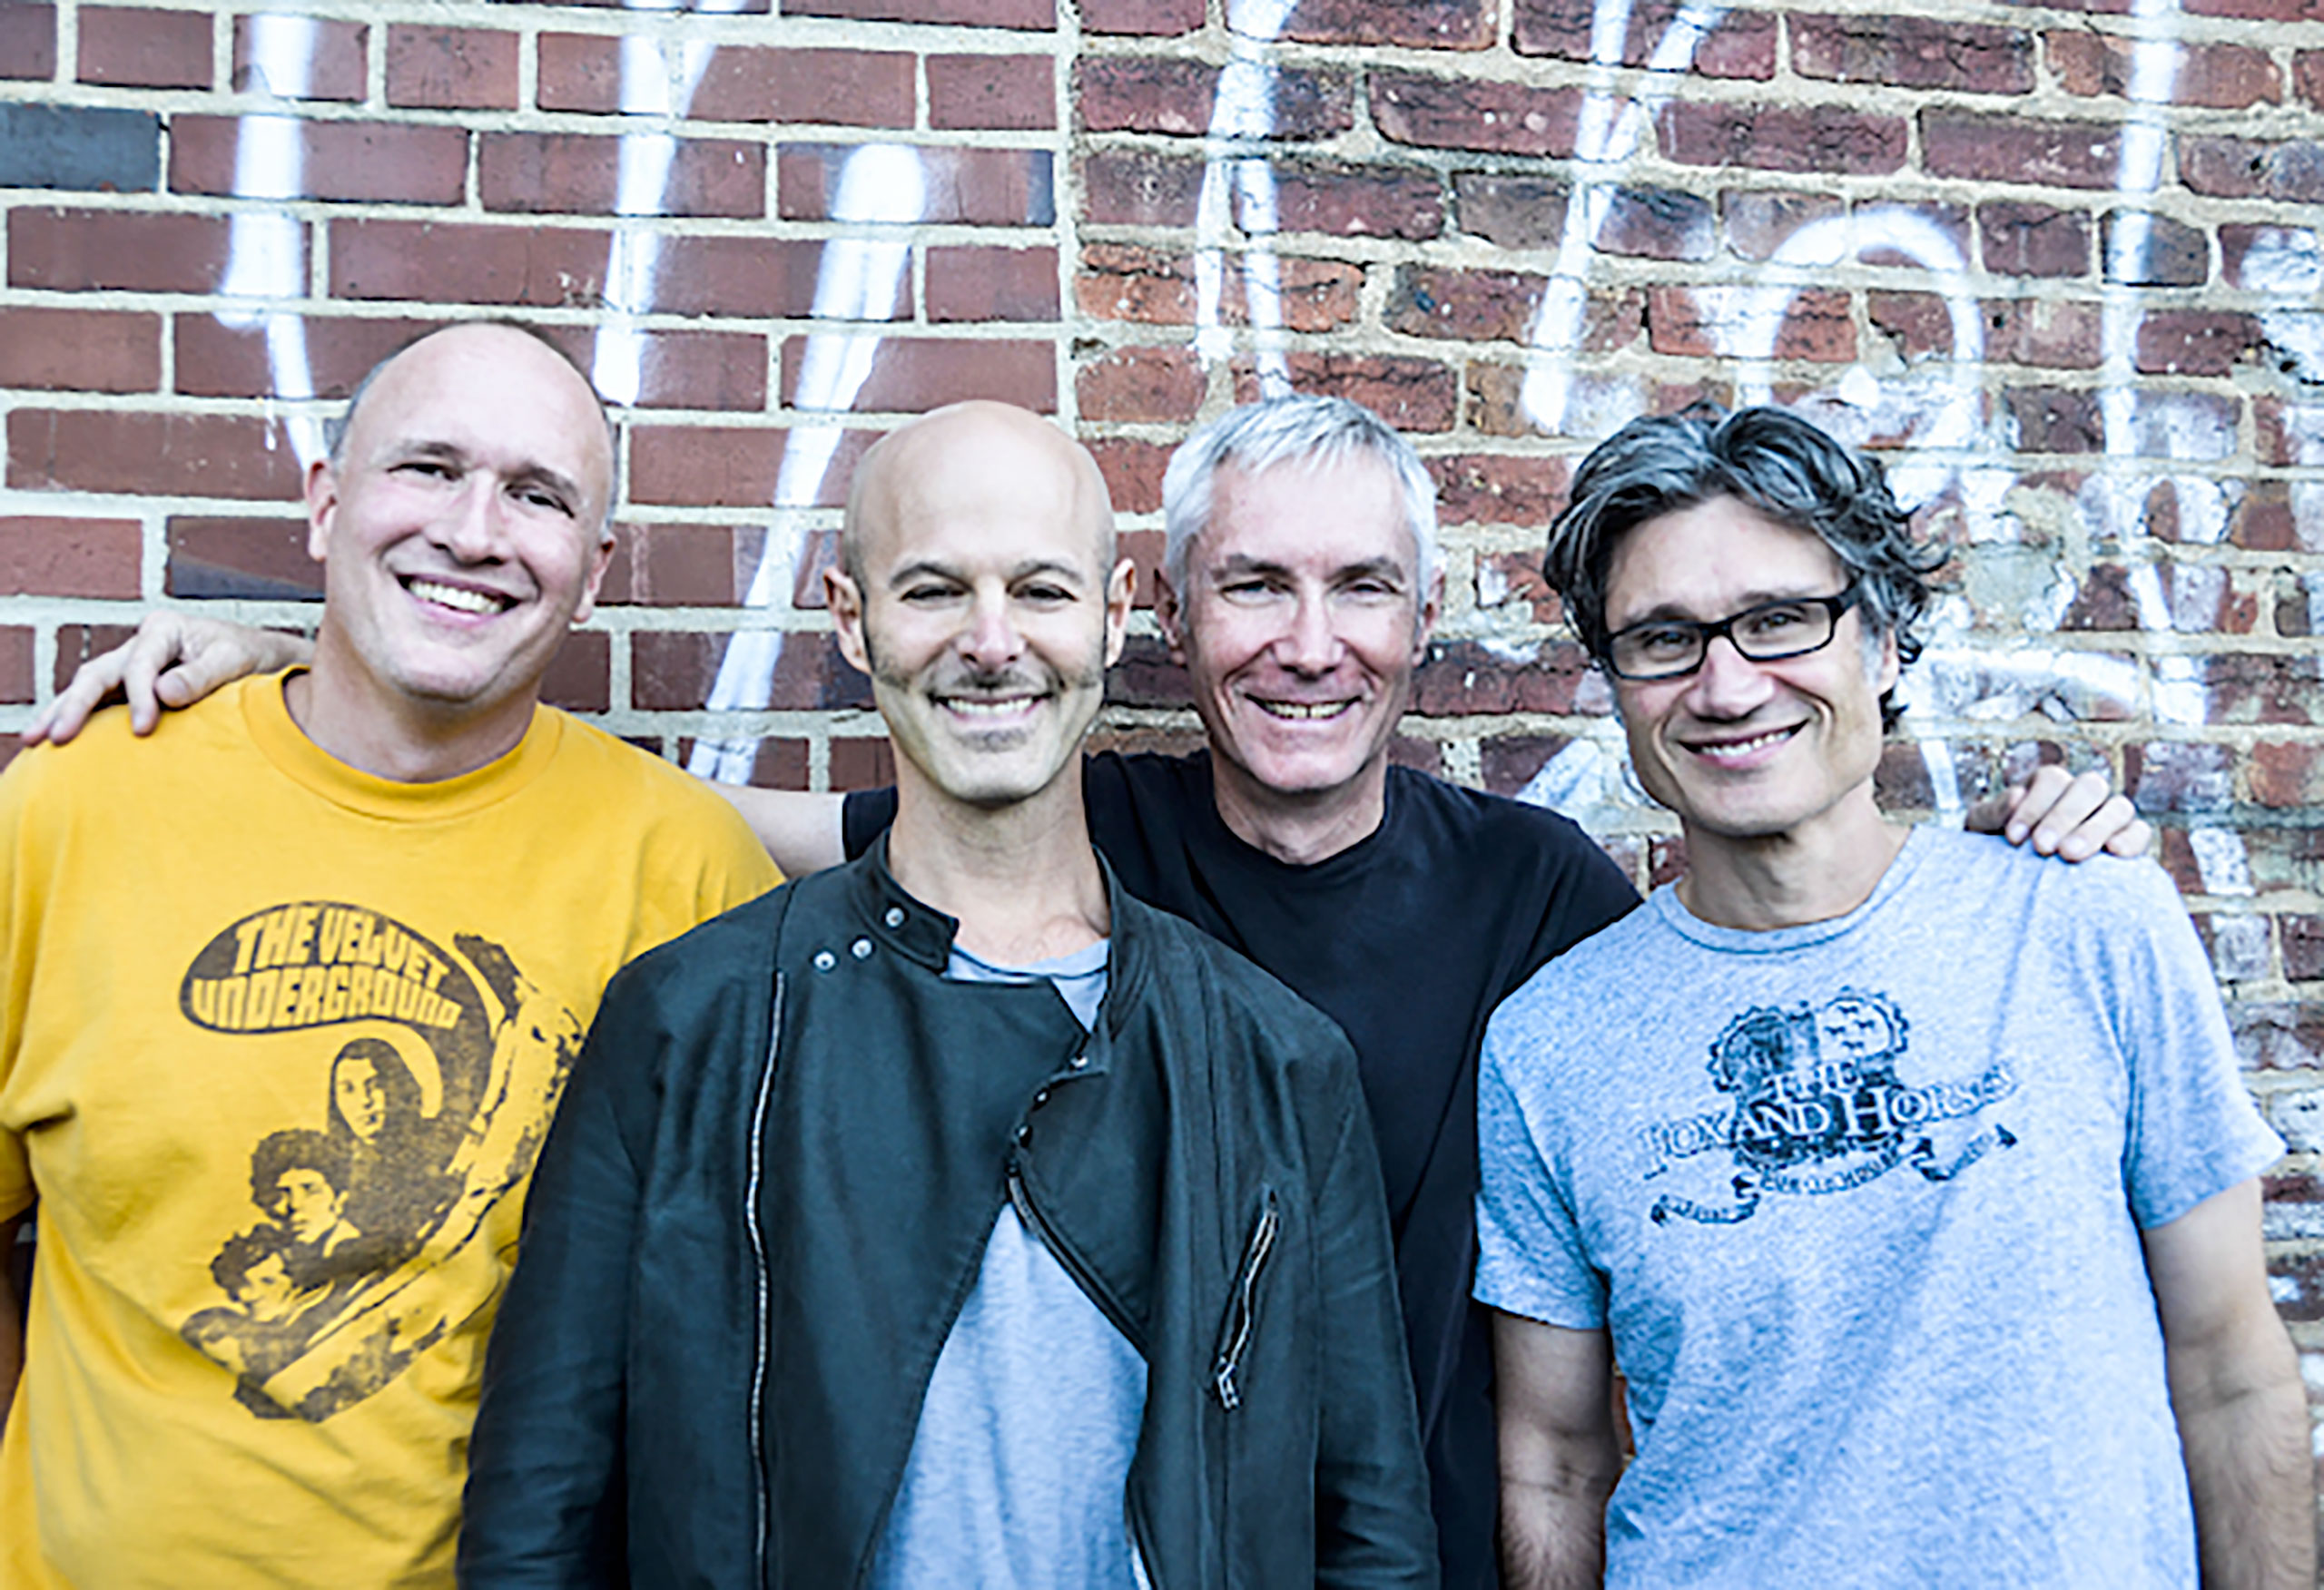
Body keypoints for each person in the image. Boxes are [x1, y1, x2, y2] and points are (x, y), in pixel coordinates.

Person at [26, 396, 2149, 1590]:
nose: (1304, 644)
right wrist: (300, 679)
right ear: (1171, 619)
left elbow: (1741, 984)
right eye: (1251, 586)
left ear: (1421, 625)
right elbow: (732, 832)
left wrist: (2040, 849)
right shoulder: (883, 910)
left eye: (1358, 591)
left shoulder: (1541, 907)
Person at [456, 400, 1436, 1585]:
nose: (991, 640)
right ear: (851, 619)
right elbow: (537, 1512)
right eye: (931, 590)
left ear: (1116, 616)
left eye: (1040, 590)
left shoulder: (1274, 1058)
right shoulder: (693, 1020)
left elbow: (1371, 1526)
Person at [1476, 406, 2312, 1588]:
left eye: (1778, 620)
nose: (1725, 686)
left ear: (1882, 643)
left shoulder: (2085, 921)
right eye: (1663, 639)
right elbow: (1553, 1463)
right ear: (1616, 686)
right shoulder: (1546, 1047)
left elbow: (2233, 1369)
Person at [0, 320, 778, 1587]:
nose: (474, 530)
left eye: (537, 496)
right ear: (326, 505)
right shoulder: (71, 814)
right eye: (427, 468)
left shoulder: (684, 875)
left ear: (591, 572)